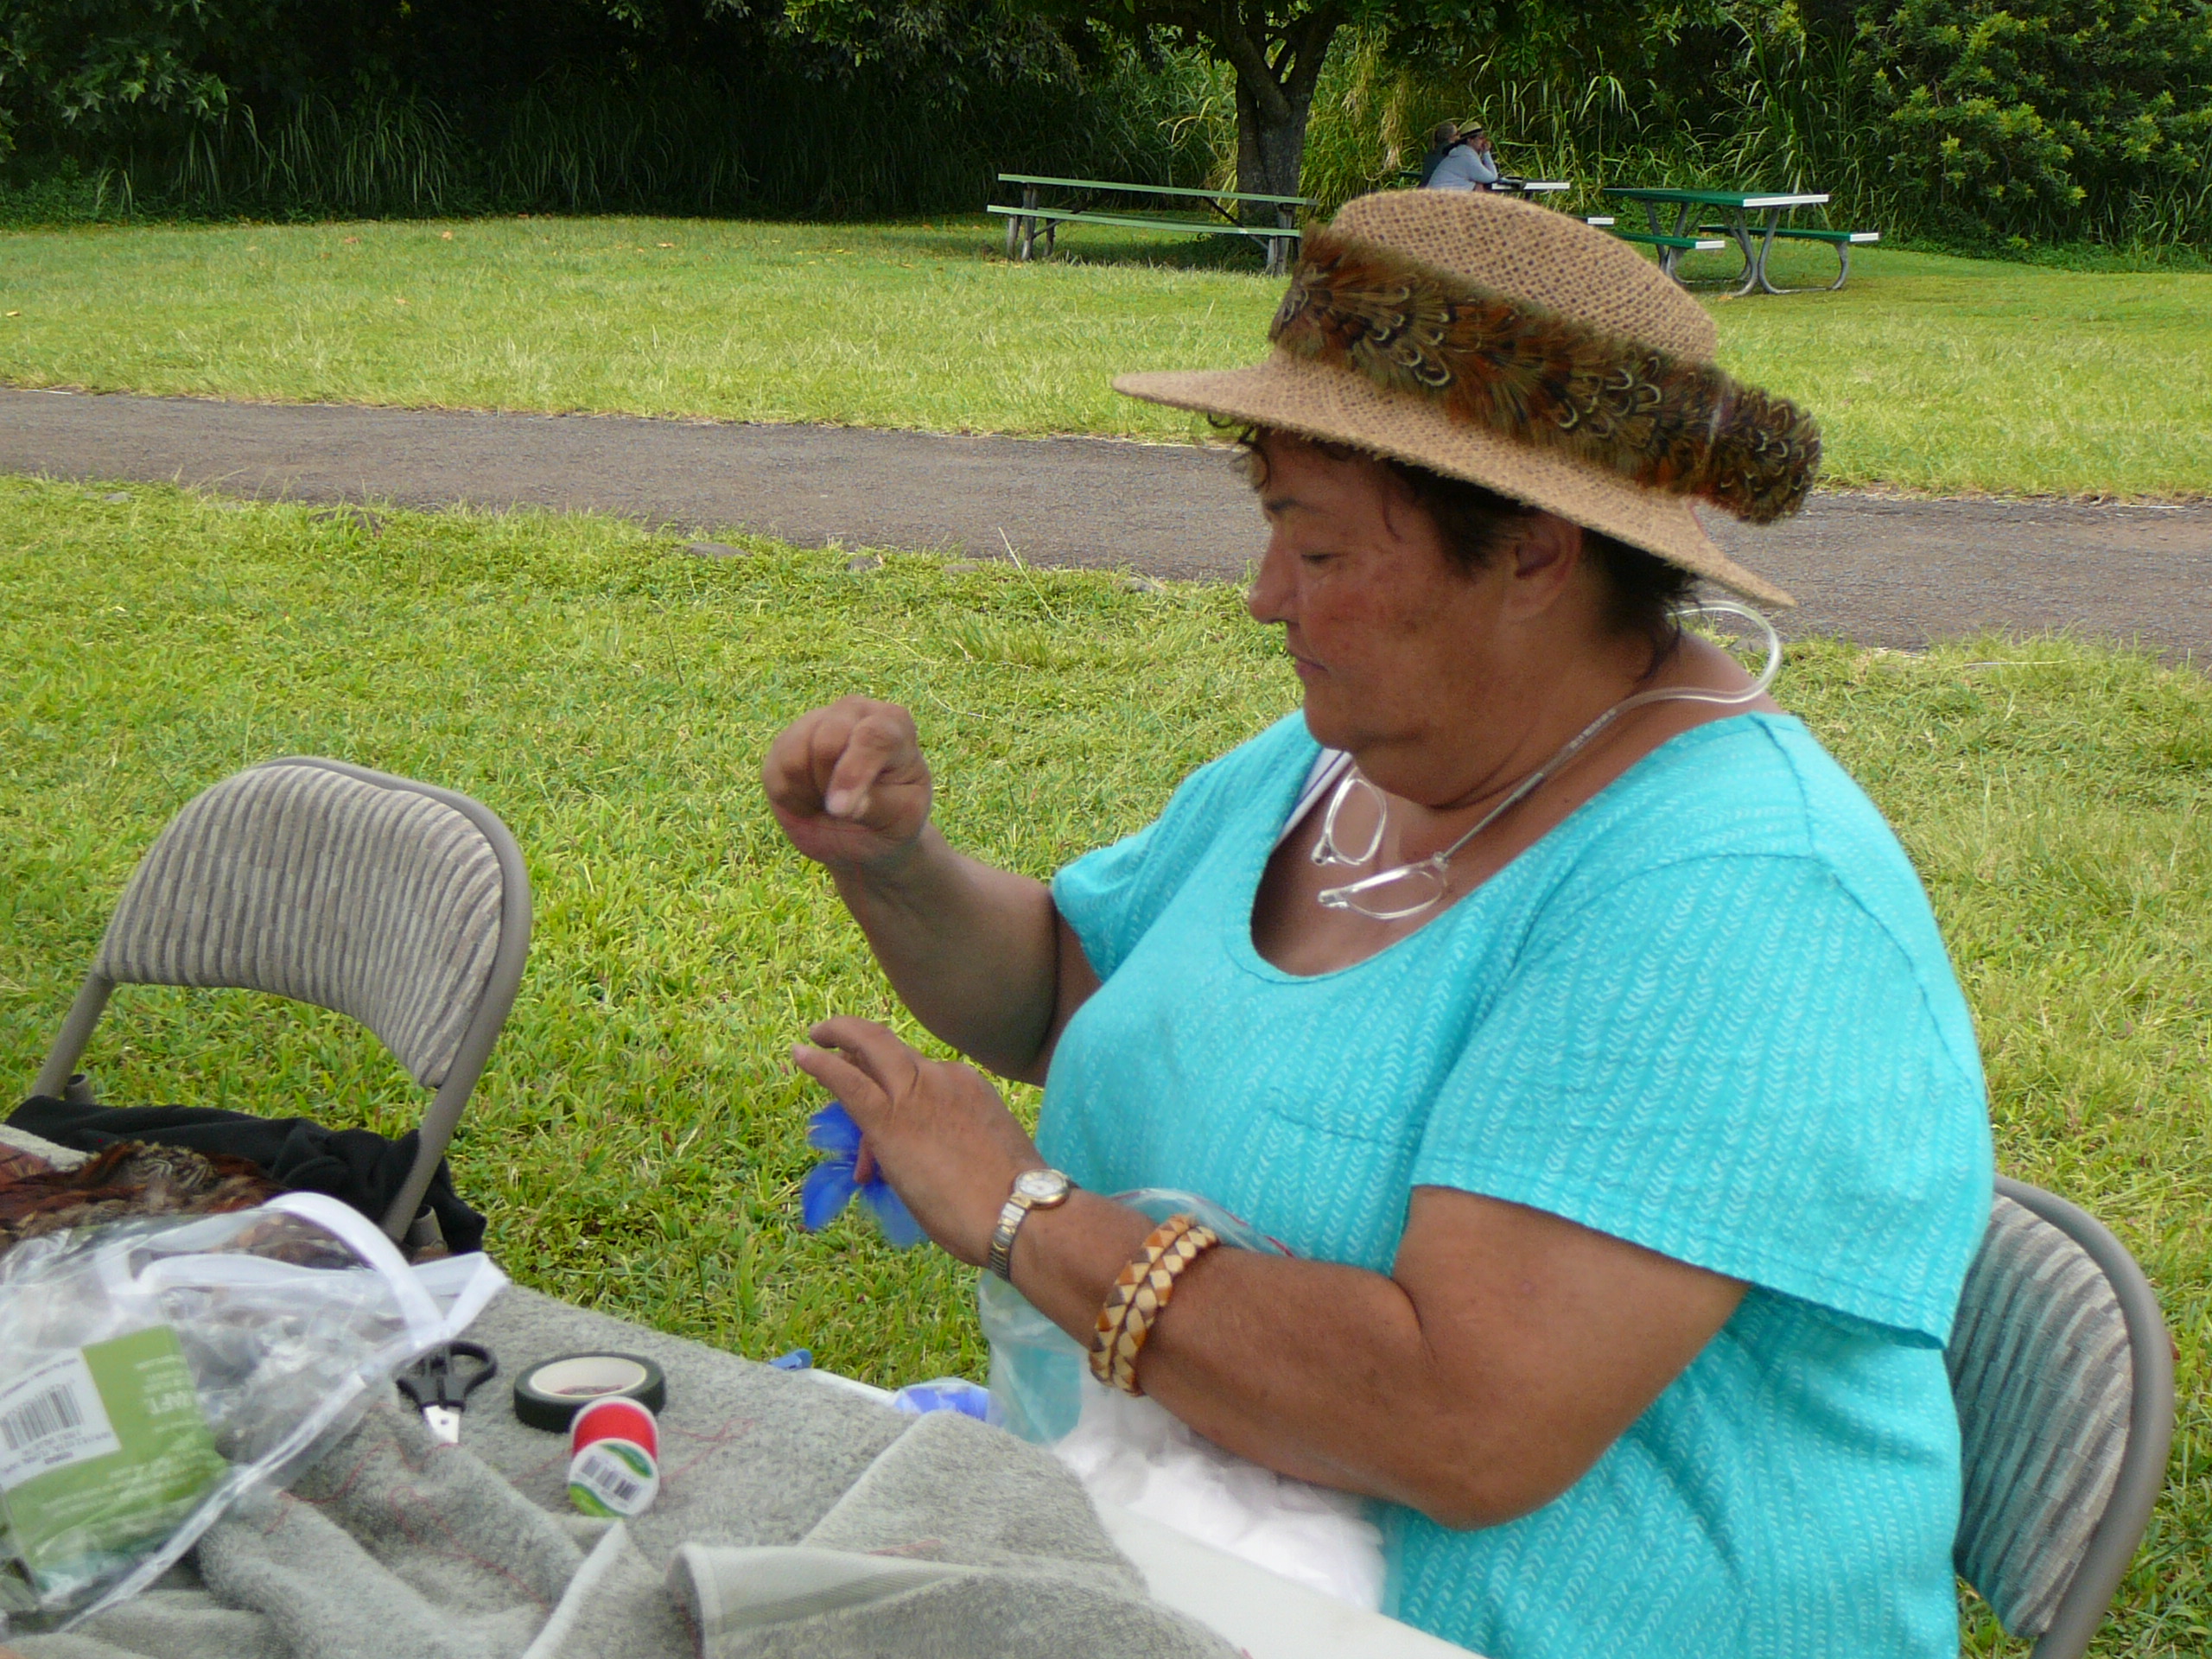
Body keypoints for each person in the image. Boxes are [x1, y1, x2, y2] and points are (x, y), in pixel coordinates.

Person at [766, 189, 1993, 1658]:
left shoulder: (1733, 890)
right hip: (1193, 1573)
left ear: (1535, 551)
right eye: (1275, 529)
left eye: (1322, 549)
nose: (1263, 597)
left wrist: (1027, 1216)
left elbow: (1460, 1424)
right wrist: (896, 866)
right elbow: (1073, 993)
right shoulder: (1332, 765)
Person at [1422, 121, 1500, 191]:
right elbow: (1492, 177)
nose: (1484, 141)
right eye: (1480, 138)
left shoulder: (1462, 153)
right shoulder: (1467, 157)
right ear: (1470, 140)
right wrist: (1486, 152)